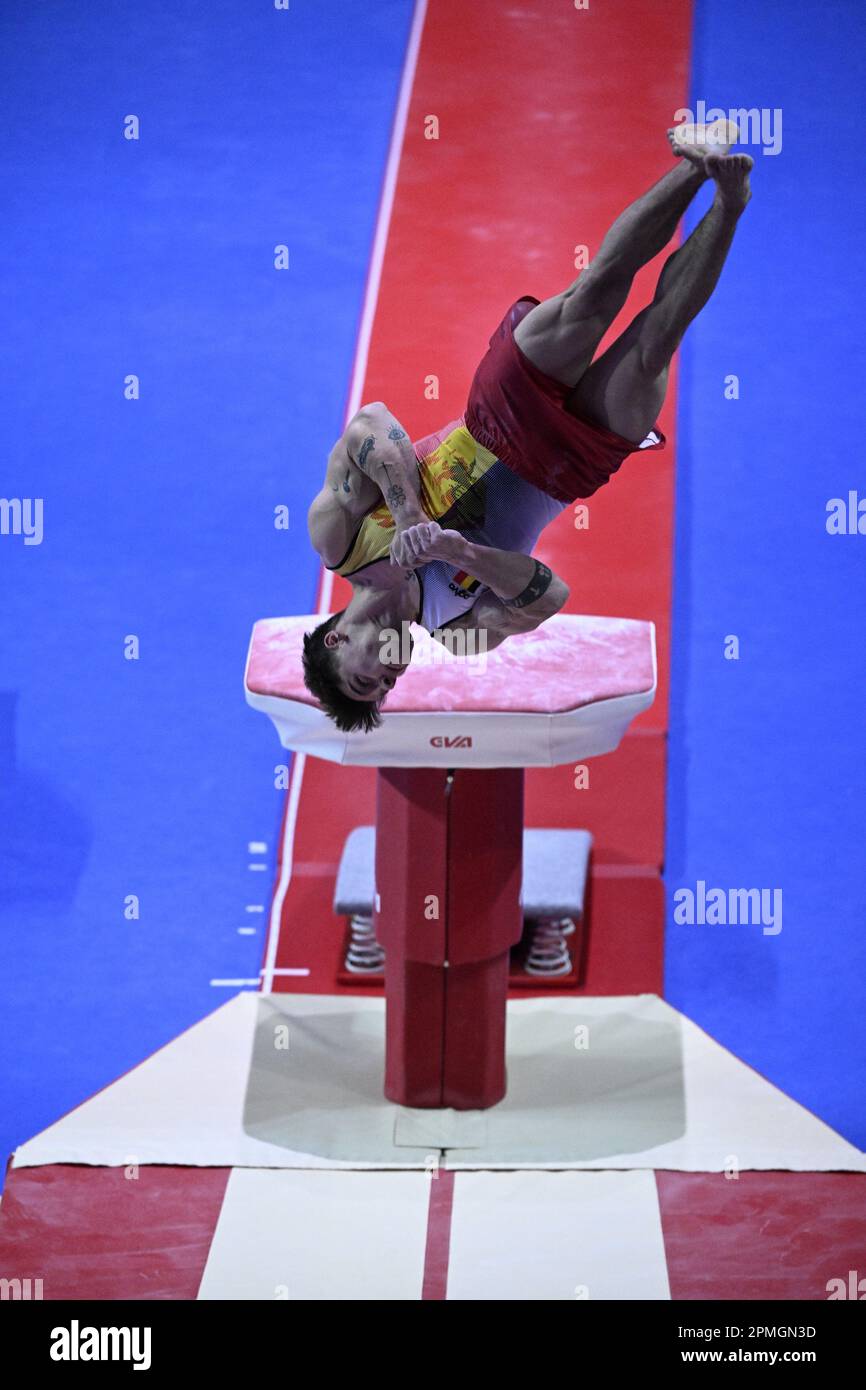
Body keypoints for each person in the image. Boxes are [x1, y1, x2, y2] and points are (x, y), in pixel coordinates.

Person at [305, 120, 752, 731]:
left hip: (498, 413)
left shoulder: (340, 540)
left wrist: (409, 515)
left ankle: (695, 165)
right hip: (564, 468)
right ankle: (730, 202)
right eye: (387, 687)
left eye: (368, 678)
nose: (388, 675)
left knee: (594, 292)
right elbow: (547, 598)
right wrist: (462, 551)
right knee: (655, 341)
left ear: (334, 640)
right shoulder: (457, 636)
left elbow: (370, 424)